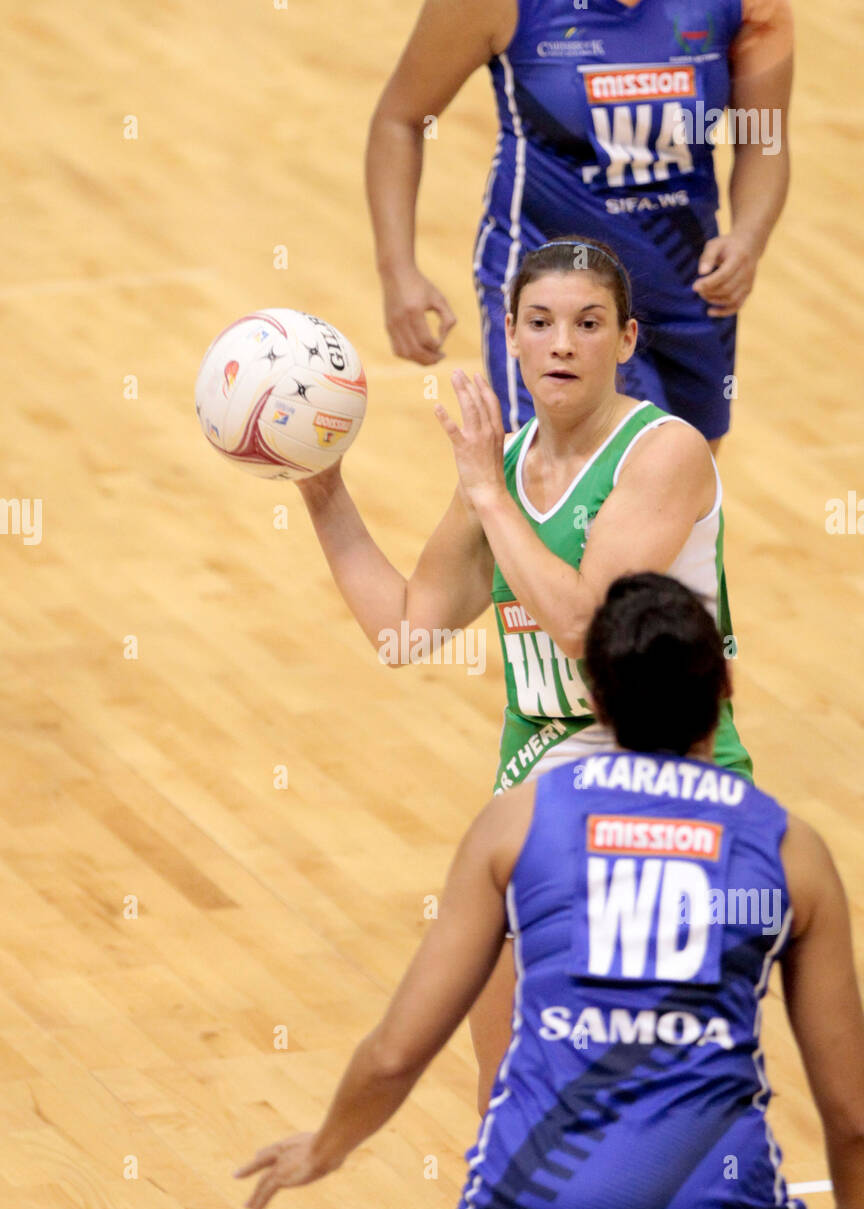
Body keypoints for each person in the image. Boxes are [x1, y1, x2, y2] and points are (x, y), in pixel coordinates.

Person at [235, 573, 864, 1209]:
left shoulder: (517, 823)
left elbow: (395, 1053)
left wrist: (327, 1146)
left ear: (595, 699)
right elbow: (849, 1113)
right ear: (726, 683)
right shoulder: (791, 850)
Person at [296, 235, 750, 1103]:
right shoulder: (499, 474)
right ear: (510, 335)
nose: (563, 344)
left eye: (588, 324)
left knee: (637, 1091)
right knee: (504, 1083)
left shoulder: (665, 454)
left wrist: (488, 497)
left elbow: (585, 622)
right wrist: (322, 490)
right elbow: (404, 629)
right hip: (540, 788)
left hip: (667, 786)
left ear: (626, 340)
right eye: (540, 323)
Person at [366, 0, 794, 449]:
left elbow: (762, 140)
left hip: (687, 288)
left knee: (680, 501)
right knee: (556, 497)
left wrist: (749, 236)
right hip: (551, 287)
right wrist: (398, 272)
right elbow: (402, 120)